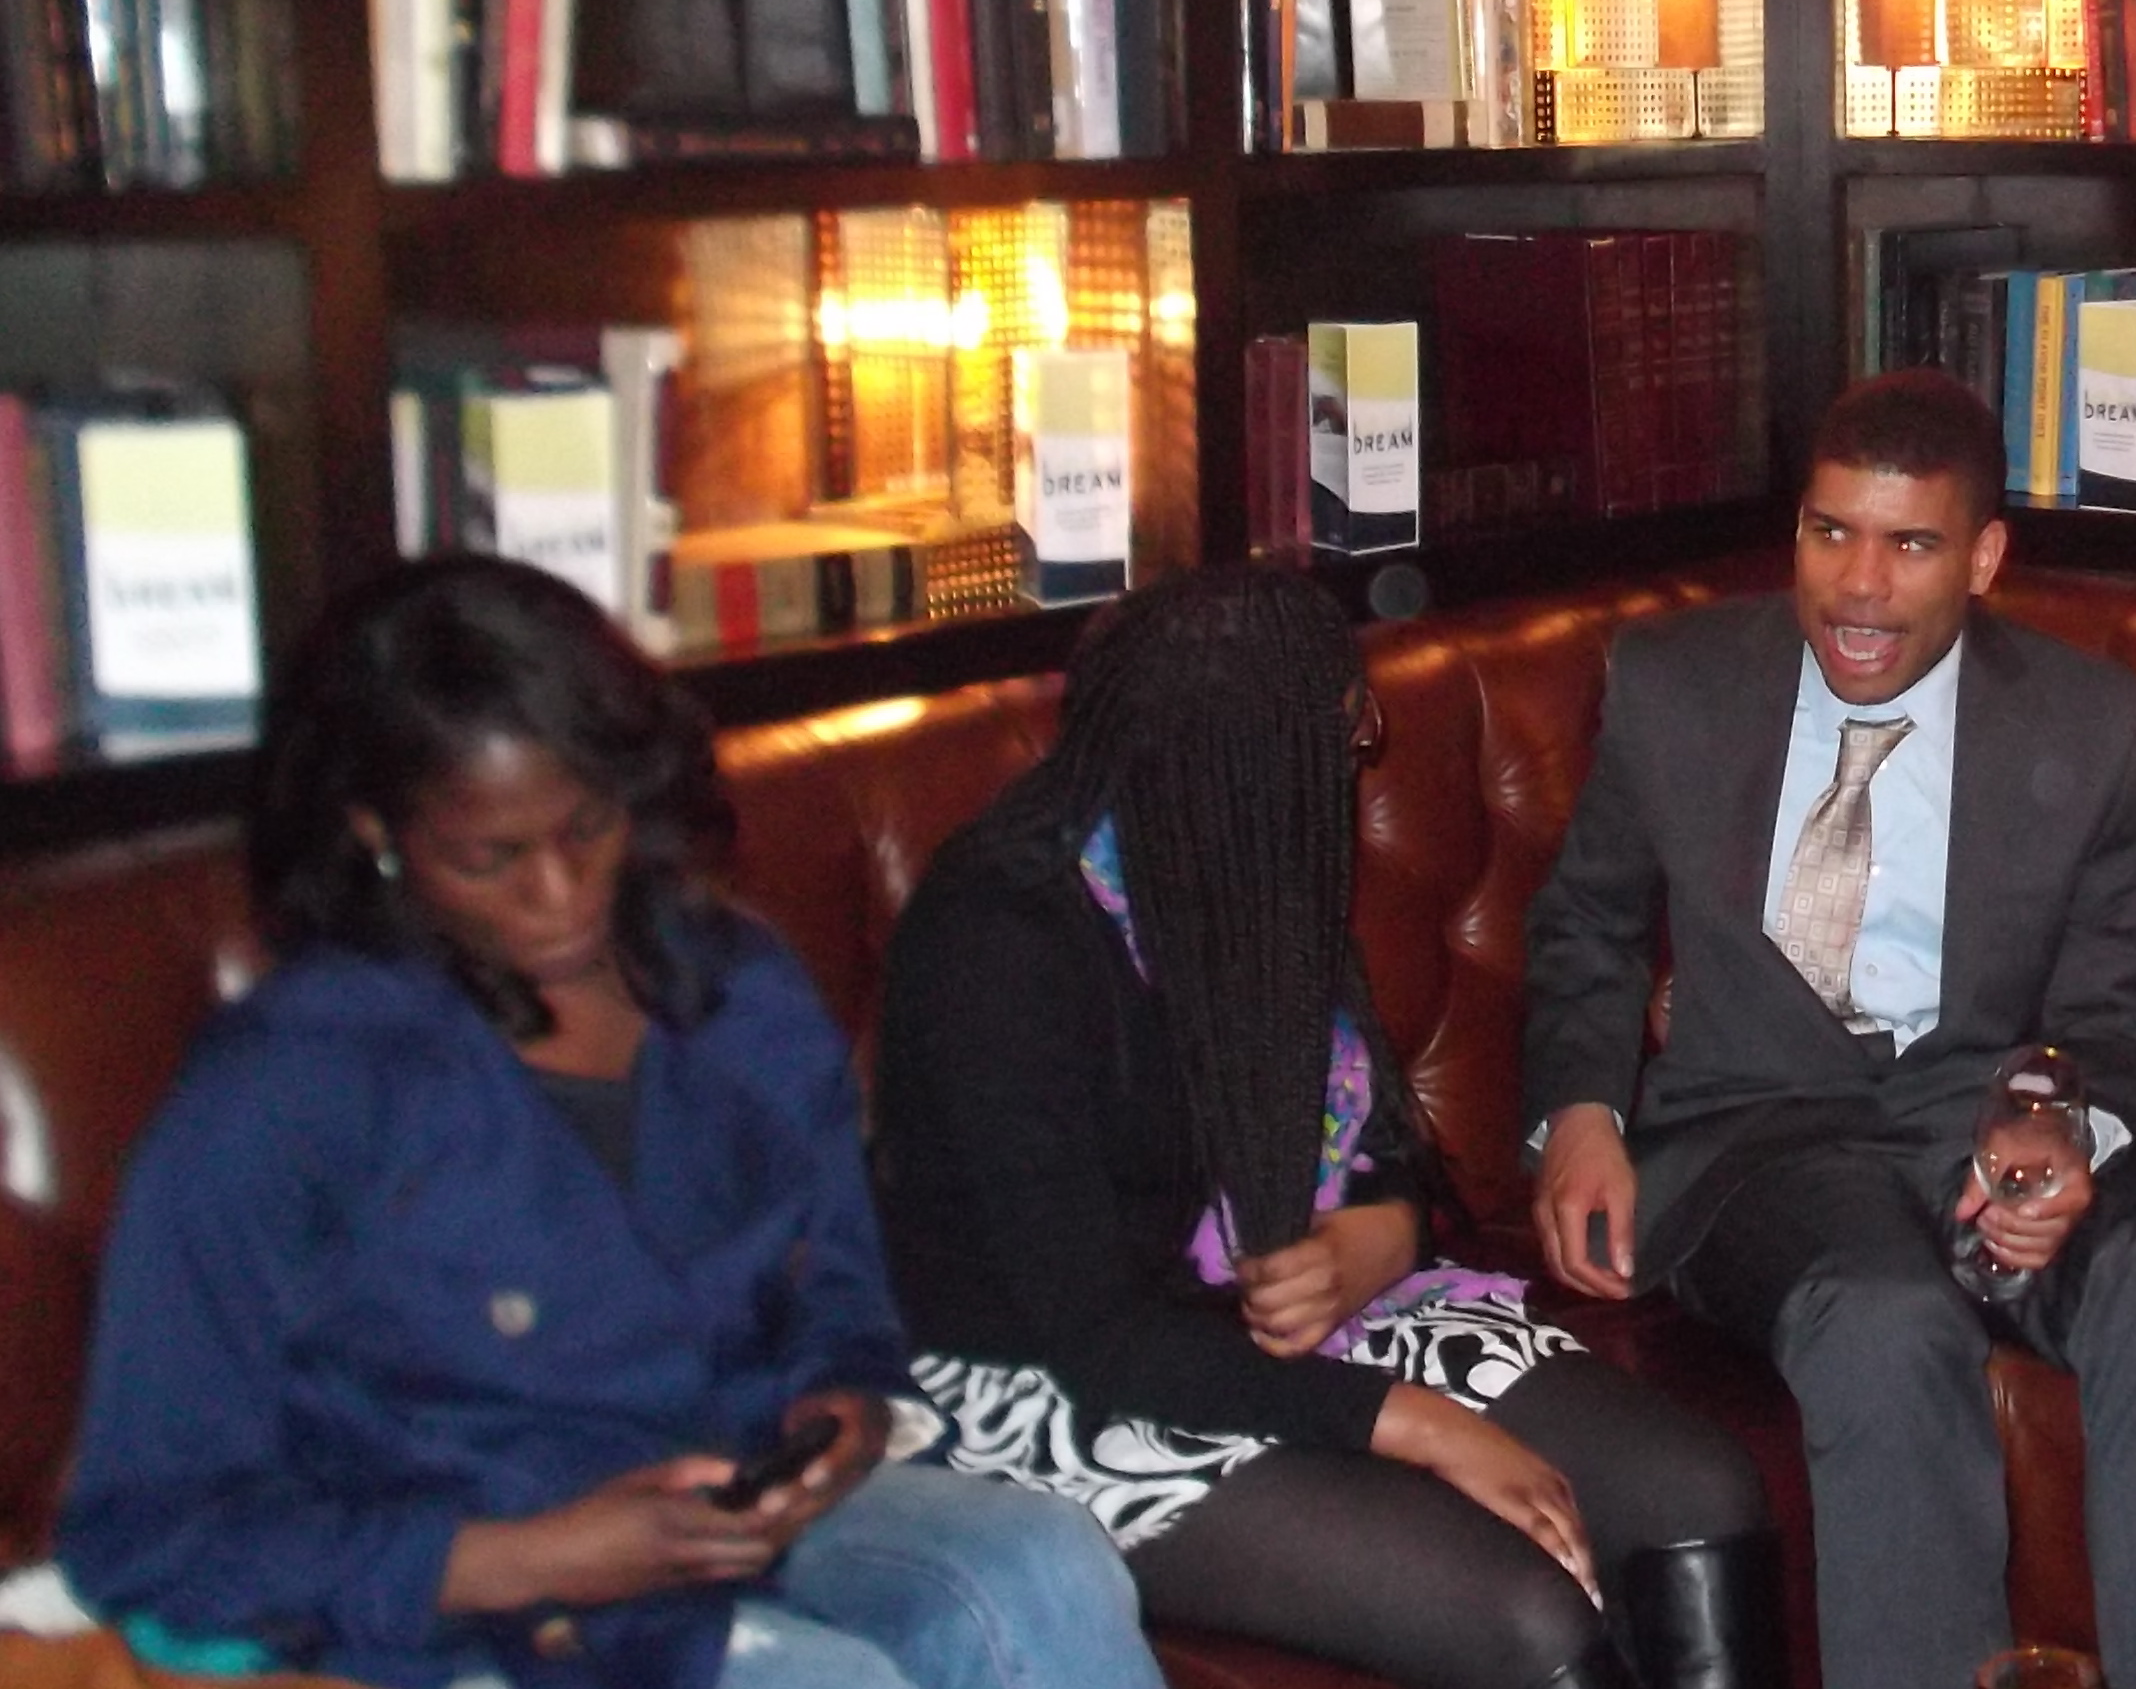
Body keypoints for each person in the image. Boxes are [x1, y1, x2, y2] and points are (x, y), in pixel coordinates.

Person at [56, 555, 1160, 1689]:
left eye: (587, 828)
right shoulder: (285, 1088)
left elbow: (842, 1295)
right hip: (449, 1590)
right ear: (375, 831)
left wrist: (845, 1417)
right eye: (488, 859)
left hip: (732, 1506)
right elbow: (145, 1527)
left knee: (1043, 1561)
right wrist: (524, 1558)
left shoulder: (736, 992)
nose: (560, 895)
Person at [873, 563, 1775, 1689]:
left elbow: (1382, 1145)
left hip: (1303, 1325)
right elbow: (1094, 1331)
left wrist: (1380, 1236)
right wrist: (1424, 1424)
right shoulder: (998, 940)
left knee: (1698, 1492)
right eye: (1342, 734)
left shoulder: (1247, 857)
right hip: (1057, 1384)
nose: (1357, 753)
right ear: (1242, 761)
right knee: (1523, 1612)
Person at [1521, 368, 2136, 1689]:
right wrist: (1580, 1113)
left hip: (1981, 1110)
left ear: (1982, 558)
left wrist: (2057, 1125)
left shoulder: (2092, 721)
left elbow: (2118, 1001)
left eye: (1911, 544)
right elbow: (1587, 923)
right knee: (1882, 1320)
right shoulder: (1673, 681)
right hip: (1759, 1137)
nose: (1858, 587)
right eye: (1831, 532)